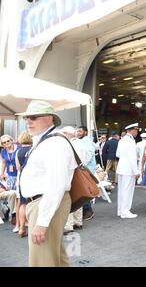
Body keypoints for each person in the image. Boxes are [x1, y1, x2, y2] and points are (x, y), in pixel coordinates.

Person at [17, 100, 77, 267]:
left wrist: (42, 222)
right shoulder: (45, 140)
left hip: (45, 202)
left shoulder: (54, 143)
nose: (28, 121)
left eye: (34, 117)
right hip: (42, 203)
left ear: (49, 118)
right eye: (26, 117)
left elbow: (56, 184)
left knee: (42, 260)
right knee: (55, 257)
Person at [60, 126, 90, 234]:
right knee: (78, 195)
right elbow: (88, 155)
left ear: (67, 133)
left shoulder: (66, 144)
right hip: (79, 172)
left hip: (68, 173)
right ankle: (78, 222)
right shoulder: (80, 143)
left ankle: (69, 225)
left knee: (68, 198)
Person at [116, 123, 140, 219]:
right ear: (132, 130)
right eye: (136, 130)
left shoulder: (122, 140)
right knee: (127, 191)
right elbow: (132, 158)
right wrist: (136, 171)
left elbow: (118, 154)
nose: (137, 133)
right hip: (129, 169)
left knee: (121, 190)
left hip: (121, 167)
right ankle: (125, 211)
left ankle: (120, 210)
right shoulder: (130, 141)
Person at [14, 131, 33, 238]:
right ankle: (32, 226)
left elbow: (18, 168)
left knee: (22, 203)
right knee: (34, 202)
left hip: (22, 178)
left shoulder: (18, 151)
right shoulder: (34, 149)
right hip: (33, 178)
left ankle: (21, 228)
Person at [77, 126, 96, 221]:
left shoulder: (85, 140)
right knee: (85, 190)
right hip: (87, 169)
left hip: (86, 169)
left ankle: (88, 211)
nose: (78, 132)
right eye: (77, 131)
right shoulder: (84, 140)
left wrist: (82, 165)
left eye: (80, 131)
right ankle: (87, 211)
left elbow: (90, 153)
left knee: (85, 190)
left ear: (85, 132)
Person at [1, 134, 18, 231]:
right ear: (2, 144)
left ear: (11, 140)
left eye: (8, 141)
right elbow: (3, 163)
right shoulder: (3, 151)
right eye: (4, 142)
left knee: (19, 195)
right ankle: (14, 214)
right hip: (10, 176)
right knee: (12, 194)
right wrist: (2, 173)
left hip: (19, 175)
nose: (6, 143)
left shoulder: (18, 148)